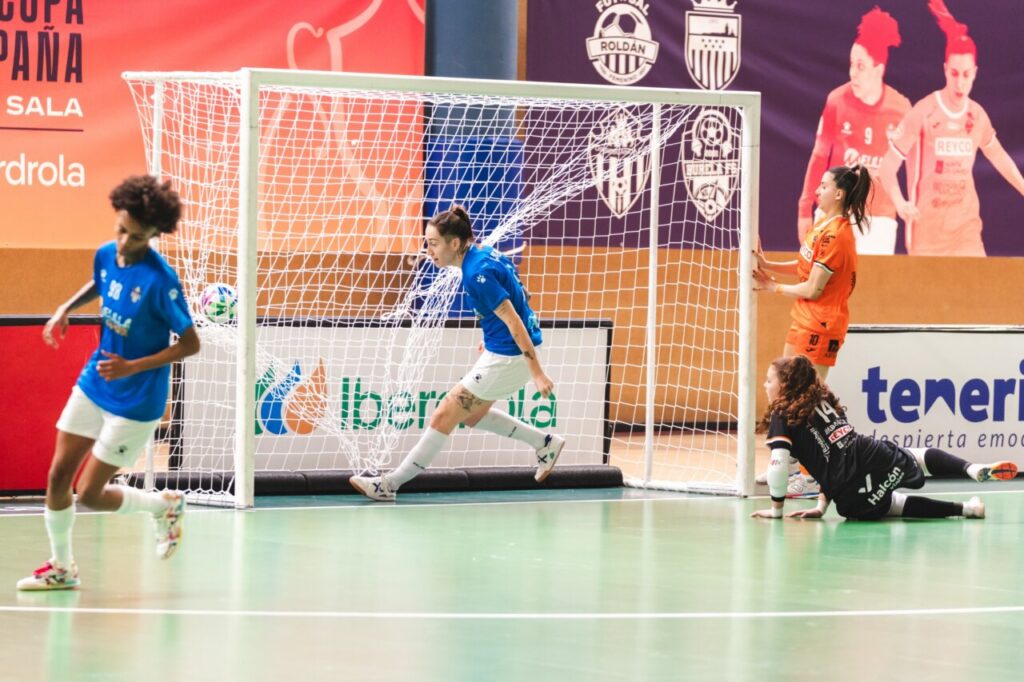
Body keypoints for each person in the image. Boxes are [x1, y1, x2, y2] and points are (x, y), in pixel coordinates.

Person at [17, 175, 201, 591]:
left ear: (154, 234)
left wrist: (134, 366)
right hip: (96, 380)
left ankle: (163, 507)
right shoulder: (106, 253)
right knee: (56, 478)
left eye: (135, 237)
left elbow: (191, 344)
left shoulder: (162, 282)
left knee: (90, 494)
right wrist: (65, 307)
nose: (123, 243)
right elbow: (102, 280)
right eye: (120, 230)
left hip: (136, 399)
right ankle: (62, 566)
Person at [350, 206, 564, 501]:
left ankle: (389, 484)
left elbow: (514, 320)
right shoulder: (487, 253)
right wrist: (491, 336)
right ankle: (545, 443)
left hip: (511, 357)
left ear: (454, 243)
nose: (429, 251)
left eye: (434, 244)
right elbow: (523, 295)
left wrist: (537, 372)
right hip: (505, 351)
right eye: (427, 243)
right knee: (474, 415)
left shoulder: (476, 274)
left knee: (443, 415)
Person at [752, 355, 1017, 521]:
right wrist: (821, 505)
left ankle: (966, 509)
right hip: (868, 454)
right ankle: (971, 469)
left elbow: (778, 466)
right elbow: (834, 454)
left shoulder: (782, 412)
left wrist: (776, 511)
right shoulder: (823, 401)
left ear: (785, 385)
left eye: (768, 380)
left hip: (847, 492)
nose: (765, 386)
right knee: (918, 456)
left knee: (894, 505)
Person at [877, 0, 1024, 256]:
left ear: (975, 73)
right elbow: (887, 166)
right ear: (945, 70)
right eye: (954, 73)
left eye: (966, 75)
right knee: (929, 296)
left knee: (977, 293)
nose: (960, 83)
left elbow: (999, 157)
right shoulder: (923, 112)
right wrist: (900, 203)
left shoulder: (977, 116)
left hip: (966, 229)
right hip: (927, 232)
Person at [755, 164, 868, 496]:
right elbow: (803, 264)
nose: (817, 190)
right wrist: (767, 265)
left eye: (823, 185)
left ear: (839, 193)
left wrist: (772, 287)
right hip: (803, 319)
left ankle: (811, 471)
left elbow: (814, 288)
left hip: (821, 324)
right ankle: (786, 463)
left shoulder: (838, 234)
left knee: (807, 401)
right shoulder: (823, 227)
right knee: (783, 390)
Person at [797, 6, 910, 255]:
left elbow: (914, 169)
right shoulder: (836, 101)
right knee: (823, 290)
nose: (853, 73)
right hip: (835, 213)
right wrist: (804, 210)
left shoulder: (901, 109)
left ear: (878, 69)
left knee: (872, 291)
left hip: (879, 221)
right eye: (851, 64)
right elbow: (818, 157)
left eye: (861, 66)